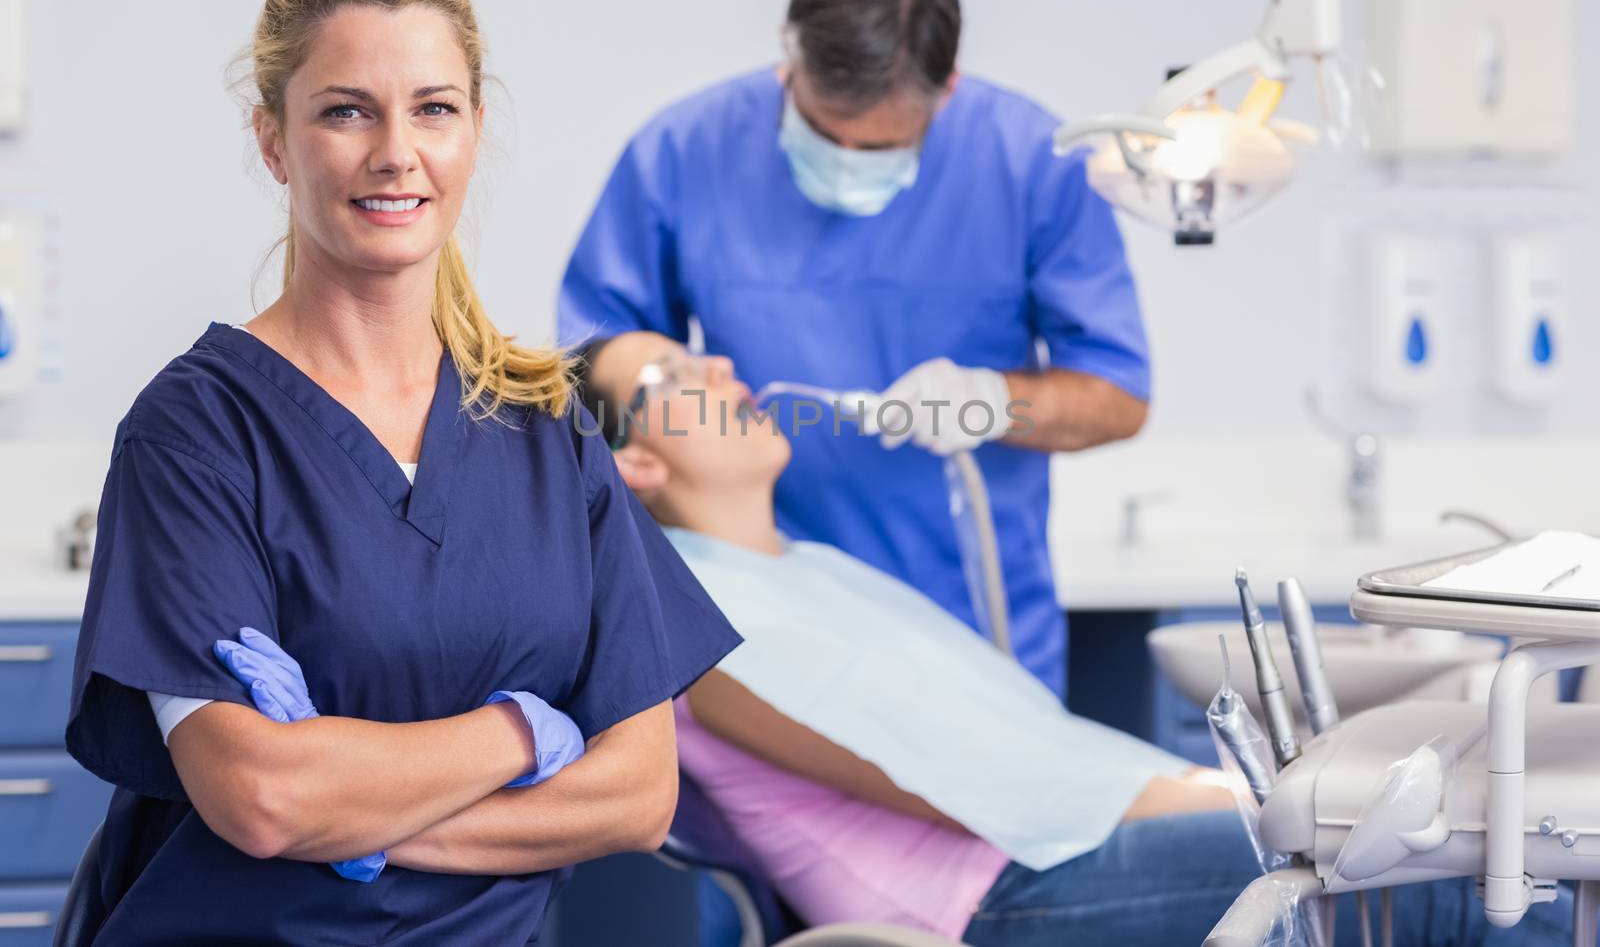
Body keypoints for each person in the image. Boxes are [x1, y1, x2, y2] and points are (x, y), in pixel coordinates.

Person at [64, 0, 739, 946]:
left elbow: (638, 792)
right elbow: (260, 798)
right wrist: (526, 731)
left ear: (473, 130)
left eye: (433, 108)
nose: (395, 151)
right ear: (273, 141)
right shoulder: (195, 433)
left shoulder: (543, 426)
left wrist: (361, 806)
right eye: (346, 110)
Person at [574, 330, 1576, 947]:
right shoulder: (695, 623)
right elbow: (961, 777)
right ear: (633, 463)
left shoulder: (806, 569)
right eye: (670, 371)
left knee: (1497, 844)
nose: (717, 366)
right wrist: (1235, 795)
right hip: (1003, 892)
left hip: (1073, 842)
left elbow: (1021, 743)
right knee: (1458, 880)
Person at [558, 0, 1151, 697]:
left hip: (973, 621)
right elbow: (596, 390)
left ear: (949, 90)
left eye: (879, 146)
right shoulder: (683, 154)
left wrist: (997, 401)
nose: (843, 159)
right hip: (766, 630)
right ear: (790, 54)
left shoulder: (1030, 162)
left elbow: (1118, 393)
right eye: (822, 128)